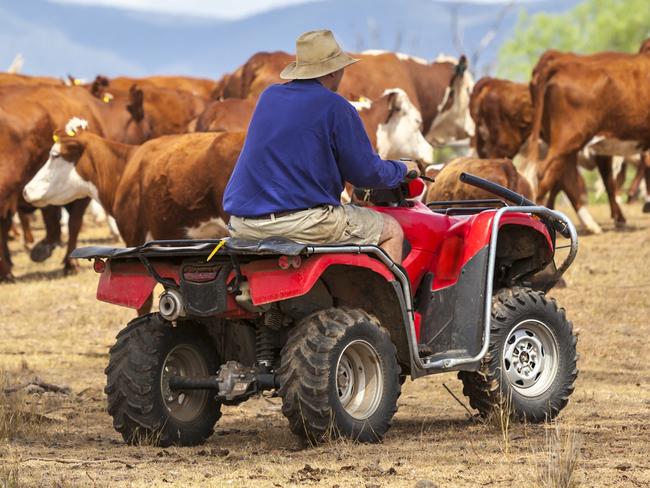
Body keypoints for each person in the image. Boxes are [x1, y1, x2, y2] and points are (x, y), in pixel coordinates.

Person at [223, 29, 419, 264]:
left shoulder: (270, 96)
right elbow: (366, 173)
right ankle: (391, 300)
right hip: (302, 224)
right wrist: (402, 169)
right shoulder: (336, 106)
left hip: (244, 224)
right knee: (391, 230)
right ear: (335, 70)